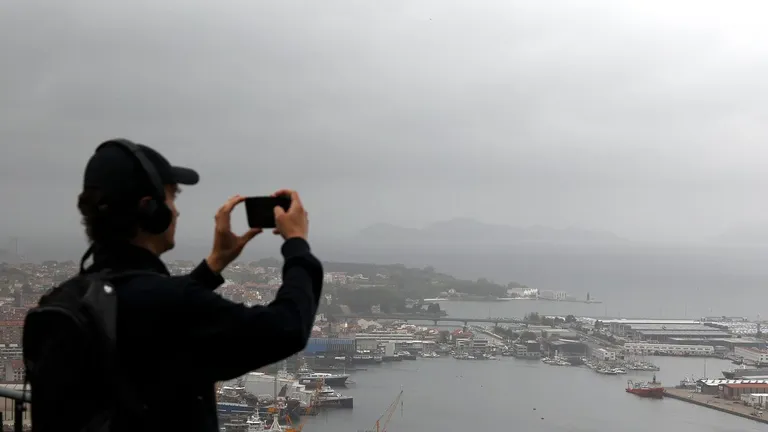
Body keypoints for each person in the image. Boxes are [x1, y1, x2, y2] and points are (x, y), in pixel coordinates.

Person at [35, 139, 323, 431]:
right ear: (151, 210)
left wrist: (213, 265)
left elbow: (146, 306)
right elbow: (288, 327)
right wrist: (297, 244)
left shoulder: (64, 300)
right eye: (172, 198)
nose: (177, 211)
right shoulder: (173, 307)